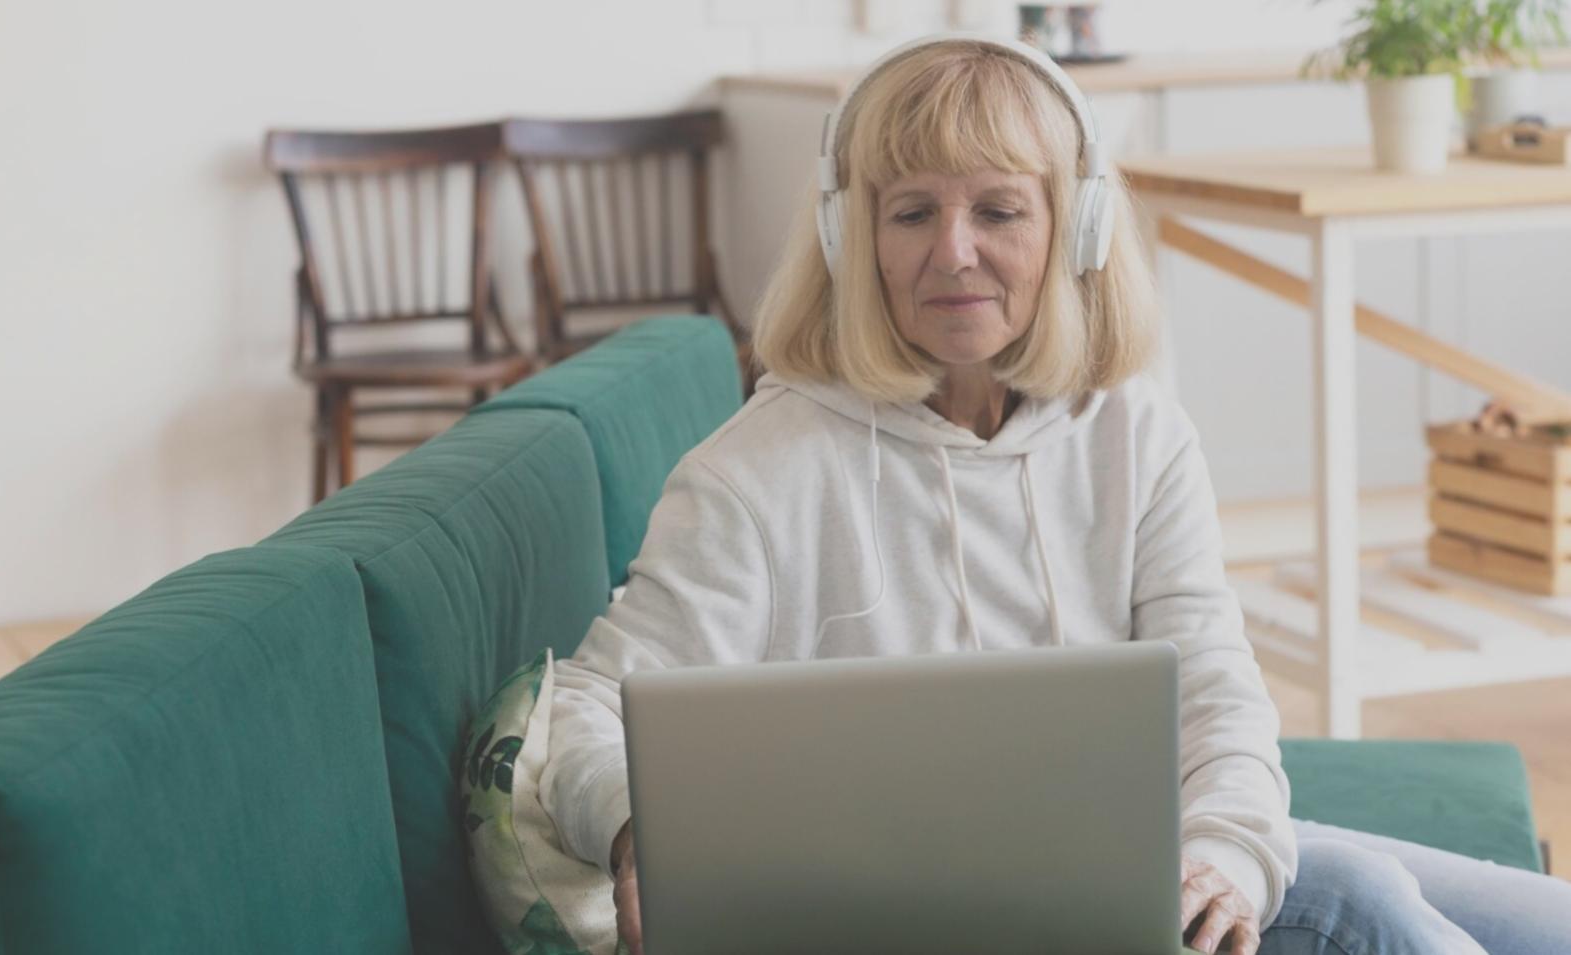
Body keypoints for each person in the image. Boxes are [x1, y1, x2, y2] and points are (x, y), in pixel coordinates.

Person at [538, 32, 1571, 955]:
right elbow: (583, 711)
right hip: (923, 908)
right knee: (1355, 902)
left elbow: (1216, 692)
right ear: (853, 239)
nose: (952, 252)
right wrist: (637, 831)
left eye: (997, 210)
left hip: (1145, 875)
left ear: (1077, 230)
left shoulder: (1137, 434)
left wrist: (1225, 855)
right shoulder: (757, 471)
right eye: (911, 212)